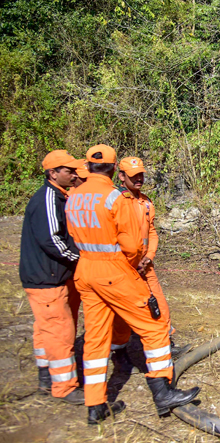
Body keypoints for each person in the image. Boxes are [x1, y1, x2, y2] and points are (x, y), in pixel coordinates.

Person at [65, 144, 199, 424]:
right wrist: (134, 261)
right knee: (154, 326)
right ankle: (163, 393)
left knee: (96, 339)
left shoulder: (73, 196)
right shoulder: (115, 198)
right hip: (114, 269)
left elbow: (73, 234)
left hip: (85, 271)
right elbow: (130, 244)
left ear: (88, 167)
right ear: (114, 169)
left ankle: (95, 405)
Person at [19, 150, 85, 404]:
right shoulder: (48, 198)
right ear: (52, 173)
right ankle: (65, 386)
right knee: (60, 331)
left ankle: (46, 374)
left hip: (46, 277)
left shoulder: (59, 196)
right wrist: (78, 258)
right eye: (68, 170)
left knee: (46, 327)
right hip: (46, 278)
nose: (73, 174)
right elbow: (52, 240)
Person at [114, 157, 188, 357]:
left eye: (141, 175)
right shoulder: (116, 201)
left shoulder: (145, 201)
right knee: (122, 309)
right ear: (121, 176)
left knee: (160, 304)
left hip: (145, 265)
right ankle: (119, 349)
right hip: (123, 267)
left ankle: (166, 343)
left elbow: (152, 232)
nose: (138, 179)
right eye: (133, 175)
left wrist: (150, 255)